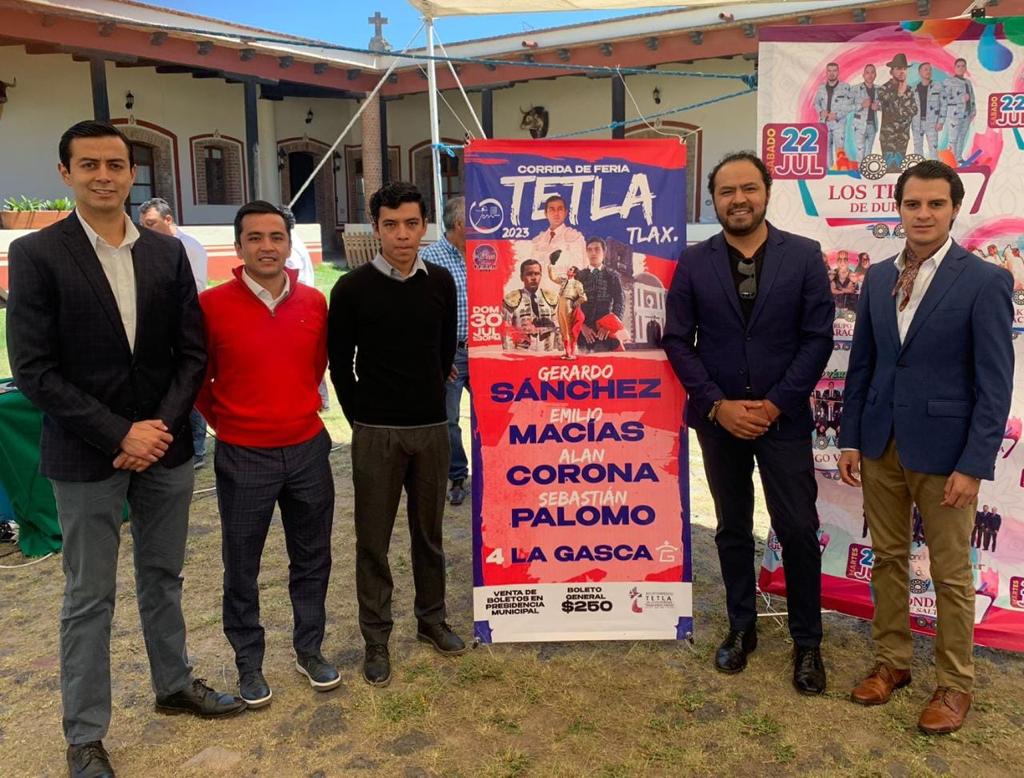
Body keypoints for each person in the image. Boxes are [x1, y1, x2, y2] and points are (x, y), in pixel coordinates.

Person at [6, 120, 244, 778]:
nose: (104, 176)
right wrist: (119, 433)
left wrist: (157, 428)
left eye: (115, 164)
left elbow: (191, 354)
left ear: (131, 173)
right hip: (87, 456)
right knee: (89, 596)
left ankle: (174, 684)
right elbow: (34, 370)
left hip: (164, 449)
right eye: (89, 165)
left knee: (163, 577)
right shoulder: (37, 255)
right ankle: (85, 735)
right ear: (66, 173)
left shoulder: (166, 254)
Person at [838, 160, 1013, 735]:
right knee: (888, 558)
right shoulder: (878, 277)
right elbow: (863, 364)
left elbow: (995, 385)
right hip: (880, 443)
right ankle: (892, 662)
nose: (923, 214)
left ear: (955, 209)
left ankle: (954, 684)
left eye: (935, 204)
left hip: (946, 455)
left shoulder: (984, 281)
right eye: (913, 204)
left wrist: (974, 464)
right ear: (899, 208)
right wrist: (850, 438)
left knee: (951, 573)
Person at [663, 151, 834, 694]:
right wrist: (718, 406)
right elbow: (677, 340)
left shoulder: (803, 255)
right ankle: (742, 627)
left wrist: (775, 404)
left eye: (748, 189)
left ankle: (808, 642)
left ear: (766, 192)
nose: (738, 199)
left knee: (798, 529)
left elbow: (817, 339)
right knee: (732, 527)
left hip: (782, 420)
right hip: (720, 423)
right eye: (726, 191)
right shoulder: (695, 261)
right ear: (713, 200)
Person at [195, 200, 338, 709]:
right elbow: (199, 381)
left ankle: (309, 649)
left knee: (313, 556)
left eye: (275, 237)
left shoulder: (314, 302)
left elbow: (315, 366)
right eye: (254, 238)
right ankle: (249, 662)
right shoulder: (211, 305)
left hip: (307, 448)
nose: (266, 246)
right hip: (243, 454)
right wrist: (231, 423)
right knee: (241, 564)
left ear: (288, 244)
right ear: (238, 247)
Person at [328, 181, 466, 689]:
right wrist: (361, 419)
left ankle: (432, 620)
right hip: (376, 432)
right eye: (391, 225)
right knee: (373, 540)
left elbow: (445, 349)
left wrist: (432, 392)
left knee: (429, 535)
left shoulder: (441, 283)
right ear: (377, 228)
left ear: (424, 225)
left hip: (430, 428)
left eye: (411, 224)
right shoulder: (351, 289)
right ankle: (376, 638)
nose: (402, 235)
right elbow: (340, 364)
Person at [139, 196, 211, 469]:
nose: (145, 230)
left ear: (168, 220)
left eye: (151, 224)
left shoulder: (188, 246)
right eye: (142, 225)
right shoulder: (149, 247)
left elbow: (196, 289)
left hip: (187, 326)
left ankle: (198, 447)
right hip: (161, 328)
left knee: (190, 384)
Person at [421, 196, 471, 507]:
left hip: (486, 351)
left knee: (493, 415)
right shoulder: (430, 258)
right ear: (460, 224)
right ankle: (457, 475)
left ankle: (493, 472)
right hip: (451, 353)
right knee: (449, 419)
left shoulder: (486, 253)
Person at [280, 205, 329, 411]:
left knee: (304, 360)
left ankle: (317, 400)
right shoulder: (295, 241)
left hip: (296, 309)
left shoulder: (290, 250)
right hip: (301, 306)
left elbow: (289, 282)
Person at [578, 236, 626, 353]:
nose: (593, 253)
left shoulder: (613, 276)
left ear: (604, 252)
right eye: (589, 250)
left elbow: (620, 303)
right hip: (583, 334)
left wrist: (609, 326)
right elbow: (571, 305)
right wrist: (582, 326)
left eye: (597, 249)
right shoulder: (579, 276)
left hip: (606, 333)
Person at [502, 259, 561, 352]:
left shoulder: (551, 298)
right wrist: (509, 355)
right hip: (521, 355)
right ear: (522, 277)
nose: (534, 278)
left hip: (547, 353)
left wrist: (559, 353)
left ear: (540, 276)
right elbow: (506, 331)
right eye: (529, 274)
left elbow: (559, 329)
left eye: (537, 274)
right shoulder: (511, 300)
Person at [877, 54, 919, 172]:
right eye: (899, 68)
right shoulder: (883, 89)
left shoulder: (909, 90)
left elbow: (914, 110)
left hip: (903, 136)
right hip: (888, 138)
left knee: (900, 171)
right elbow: (893, 112)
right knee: (889, 170)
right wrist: (900, 94)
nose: (902, 72)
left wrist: (902, 109)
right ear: (891, 72)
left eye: (904, 69)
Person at [813, 62, 852, 167]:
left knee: (839, 150)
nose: (832, 73)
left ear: (838, 72)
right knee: (826, 150)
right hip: (824, 124)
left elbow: (849, 106)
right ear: (826, 73)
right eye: (829, 71)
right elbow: (816, 103)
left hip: (838, 124)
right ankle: (829, 171)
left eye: (834, 70)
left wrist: (837, 115)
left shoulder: (845, 87)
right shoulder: (821, 88)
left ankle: (840, 171)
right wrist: (821, 112)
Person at [530, 194, 585, 269]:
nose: (556, 213)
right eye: (552, 210)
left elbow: (579, 267)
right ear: (546, 214)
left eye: (560, 209)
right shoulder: (538, 240)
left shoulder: (575, 237)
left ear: (565, 213)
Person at [547, 262, 588, 360]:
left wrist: (576, 303)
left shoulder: (577, 283)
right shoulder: (563, 280)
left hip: (568, 304)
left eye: (571, 269)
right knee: (563, 329)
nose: (568, 270)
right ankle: (567, 353)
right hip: (560, 304)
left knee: (569, 330)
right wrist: (550, 266)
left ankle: (572, 353)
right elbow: (553, 278)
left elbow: (583, 297)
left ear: (574, 273)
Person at [943, 58, 976, 163]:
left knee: (962, 137)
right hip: (954, 114)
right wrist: (961, 99)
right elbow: (944, 98)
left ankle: (958, 157)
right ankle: (951, 159)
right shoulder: (949, 82)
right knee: (953, 138)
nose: (961, 68)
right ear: (955, 68)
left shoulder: (968, 82)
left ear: (966, 68)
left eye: (963, 66)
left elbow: (972, 97)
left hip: (966, 114)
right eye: (958, 66)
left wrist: (973, 110)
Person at [912, 63, 944, 159]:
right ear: (919, 72)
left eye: (930, 69)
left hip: (932, 123)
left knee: (933, 149)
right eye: (925, 69)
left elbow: (944, 104)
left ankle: (934, 167)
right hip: (917, 123)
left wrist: (941, 122)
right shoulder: (914, 89)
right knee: (917, 149)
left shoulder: (938, 86)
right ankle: (920, 167)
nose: (928, 71)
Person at [850, 64, 880, 163]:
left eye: (872, 72)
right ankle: (859, 170)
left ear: (875, 75)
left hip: (872, 125)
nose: (870, 75)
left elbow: (887, 105)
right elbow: (847, 106)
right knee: (860, 152)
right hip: (859, 125)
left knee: (868, 153)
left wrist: (878, 107)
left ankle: (866, 171)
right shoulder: (855, 89)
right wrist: (861, 105)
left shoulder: (879, 89)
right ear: (863, 75)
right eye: (867, 72)